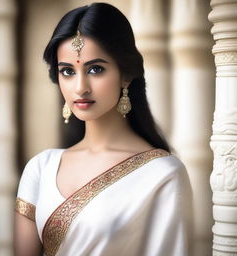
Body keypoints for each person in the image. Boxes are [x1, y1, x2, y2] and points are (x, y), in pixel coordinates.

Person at [14, 3, 193, 256]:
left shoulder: (162, 174)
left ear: (125, 75)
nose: (80, 87)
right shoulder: (41, 167)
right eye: (67, 71)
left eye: (95, 69)